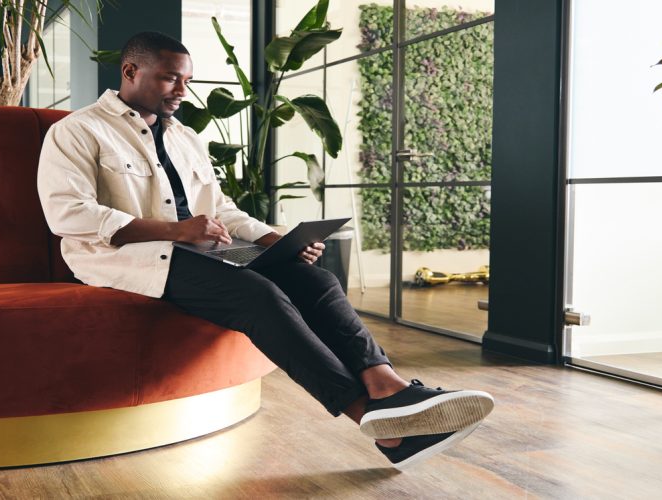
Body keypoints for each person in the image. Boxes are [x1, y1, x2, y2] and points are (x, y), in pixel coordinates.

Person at [36, 31, 494, 470]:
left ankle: (387, 385)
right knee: (258, 296)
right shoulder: (78, 131)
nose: (182, 90)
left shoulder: (184, 138)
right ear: (131, 70)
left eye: (188, 80)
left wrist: (273, 240)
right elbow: (69, 215)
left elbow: (221, 209)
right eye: (171, 78)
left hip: (196, 250)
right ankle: (375, 423)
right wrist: (177, 231)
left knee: (316, 279)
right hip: (129, 259)